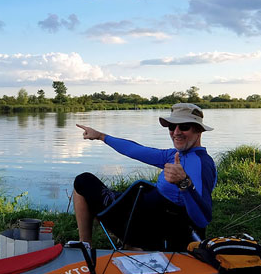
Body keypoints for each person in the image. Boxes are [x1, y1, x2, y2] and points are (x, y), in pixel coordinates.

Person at [73, 103, 217, 251]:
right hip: (144, 216)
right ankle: (114, 245)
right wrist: (101, 136)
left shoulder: (201, 164)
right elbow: (136, 150)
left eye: (184, 126)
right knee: (89, 185)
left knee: (83, 181)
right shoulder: (174, 154)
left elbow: (202, 219)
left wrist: (184, 183)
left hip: (157, 231)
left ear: (199, 130)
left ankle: (88, 246)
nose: (176, 132)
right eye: (172, 127)